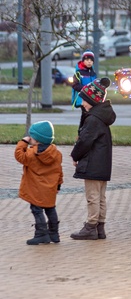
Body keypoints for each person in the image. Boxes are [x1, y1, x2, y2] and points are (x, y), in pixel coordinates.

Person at [69, 77, 115, 241]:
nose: (81, 103)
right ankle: (100, 227)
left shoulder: (93, 120)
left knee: (93, 197)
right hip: (102, 164)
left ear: (91, 100)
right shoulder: (101, 117)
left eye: (83, 100)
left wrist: (75, 155)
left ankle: (91, 226)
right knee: (101, 197)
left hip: (93, 164)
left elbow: (85, 141)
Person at [15, 121, 64, 245]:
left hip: (35, 189)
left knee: (37, 210)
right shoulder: (56, 154)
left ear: (36, 140)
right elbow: (59, 171)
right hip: (50, 189)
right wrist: (58, 185)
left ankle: (41, 233)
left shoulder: (32, 154)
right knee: (50, 209)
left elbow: (19, 156)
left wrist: (23, 142)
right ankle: (54, 233)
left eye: (31, 136)